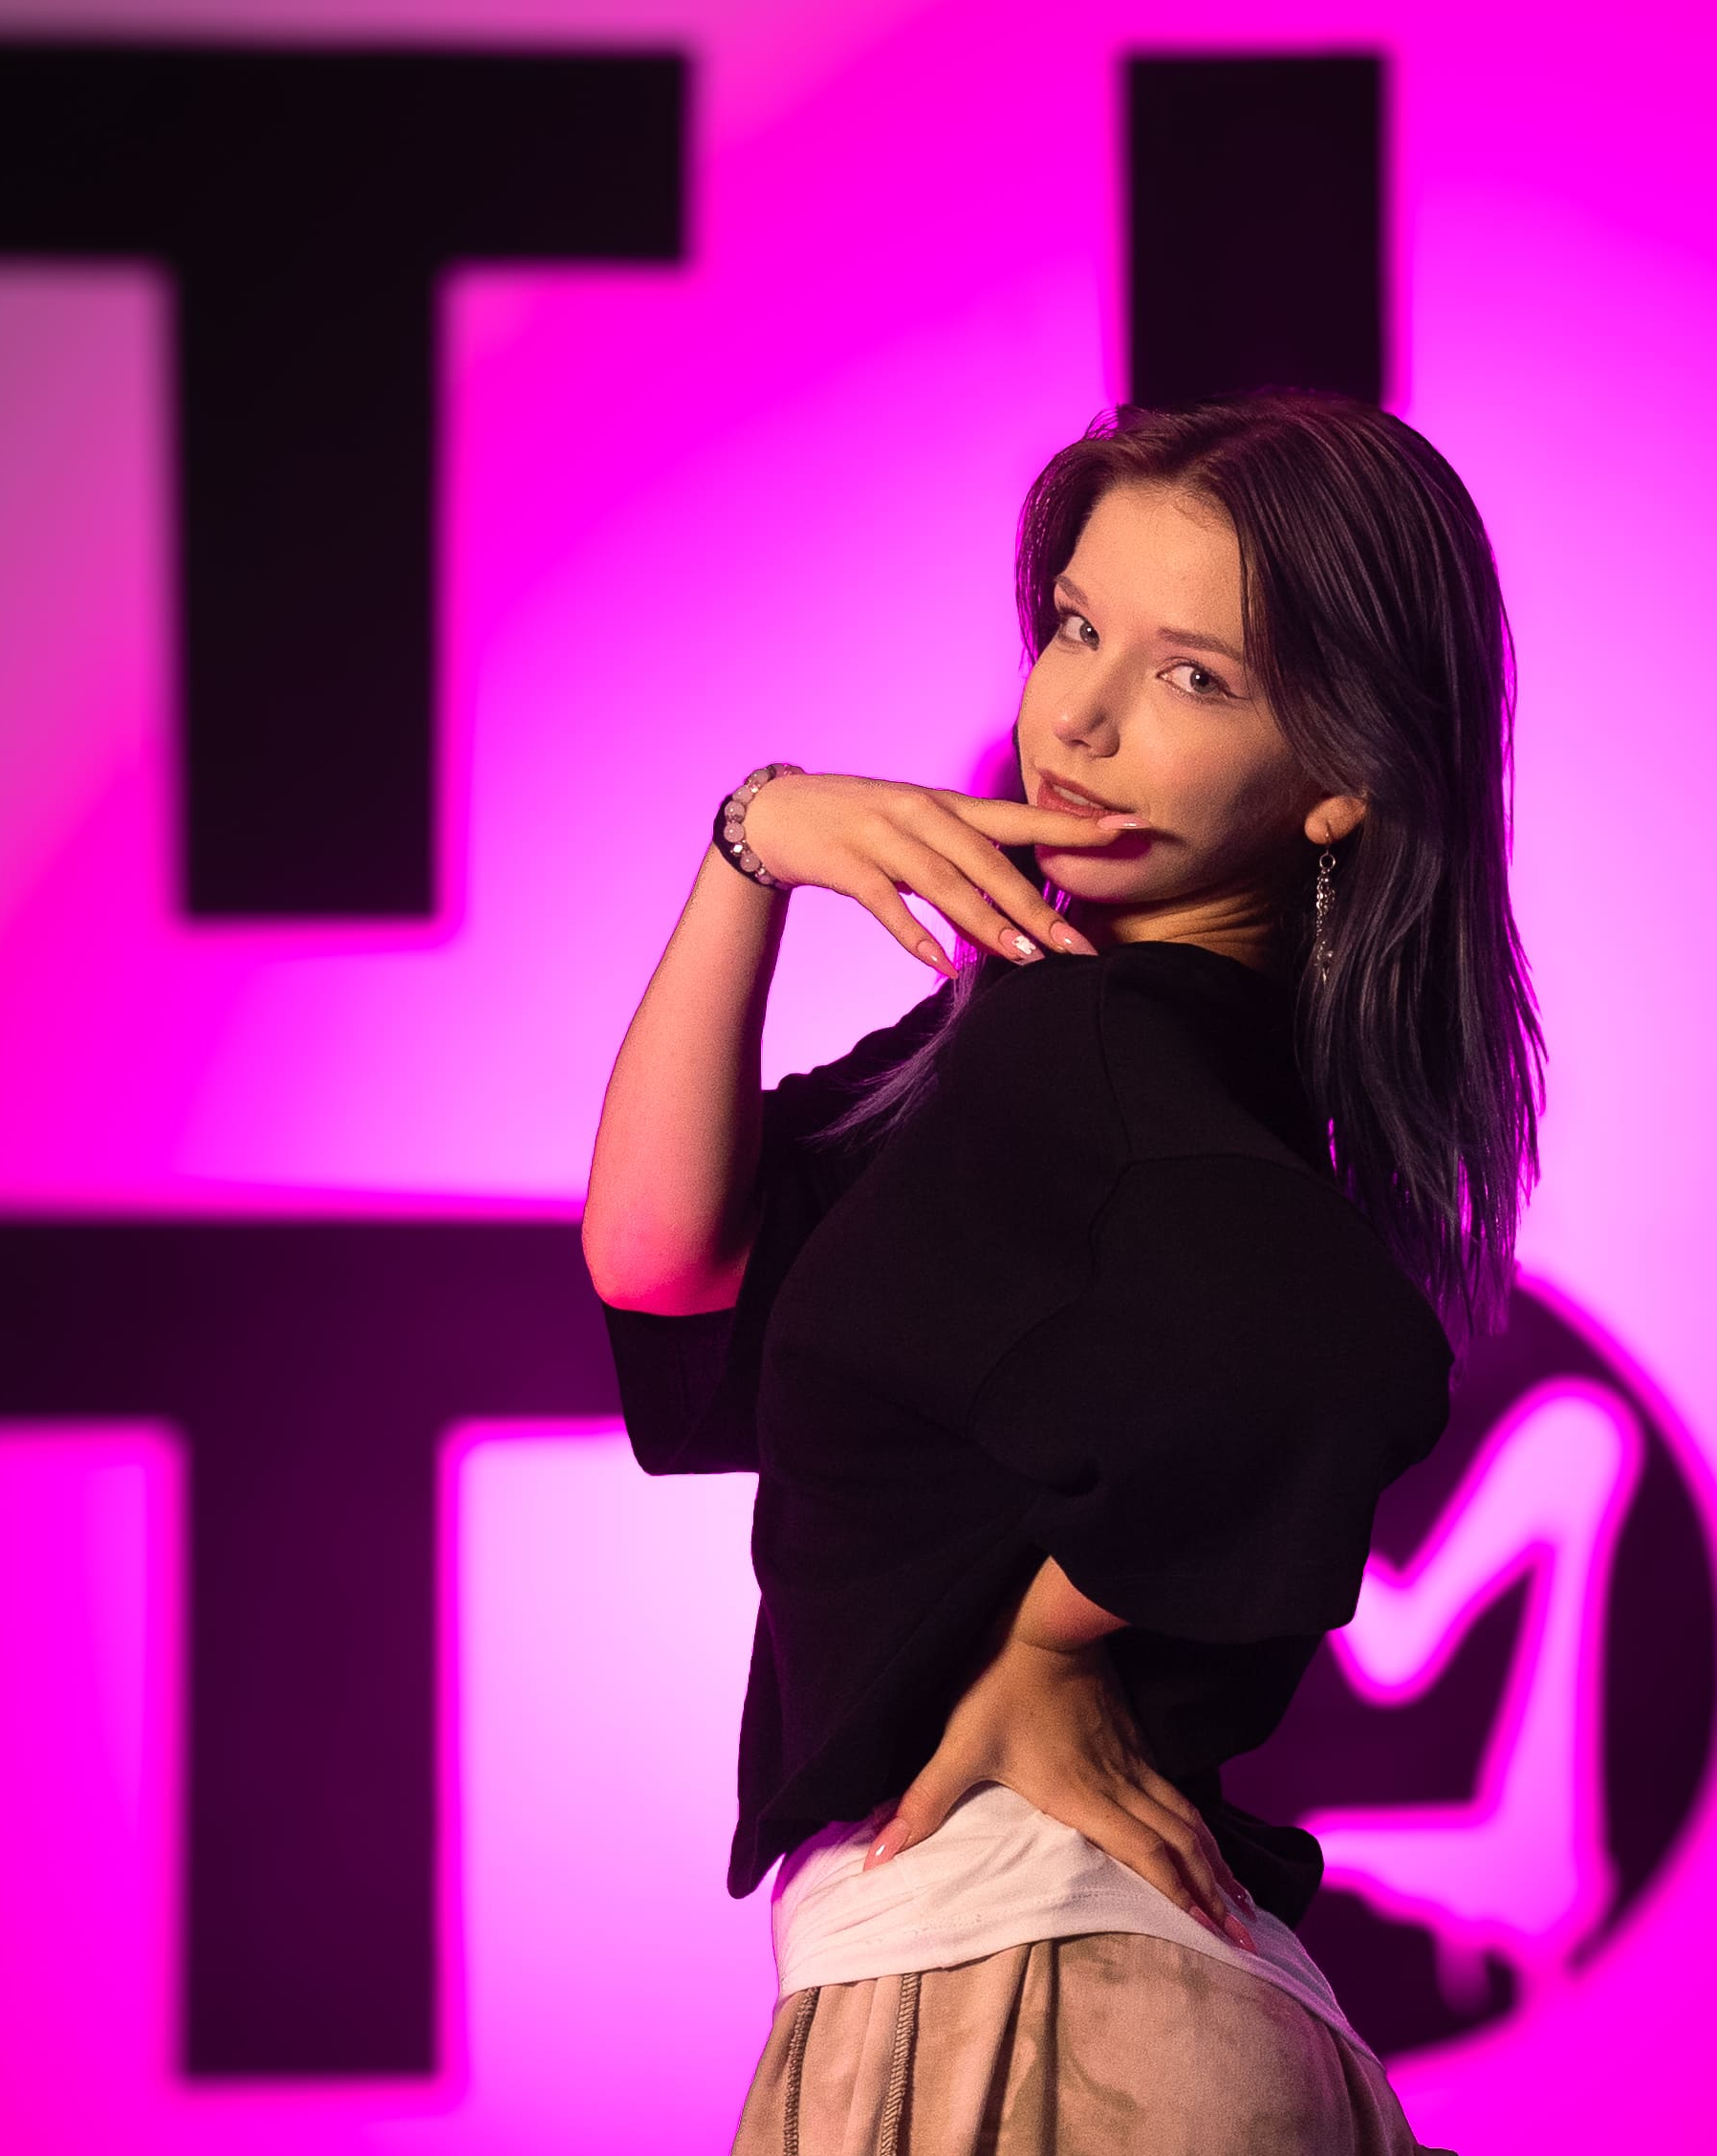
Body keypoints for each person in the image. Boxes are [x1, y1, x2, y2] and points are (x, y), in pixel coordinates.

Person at [581, 392, 1542, 2154]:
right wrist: (755, 847)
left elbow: (1341, 1353)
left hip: (1023, 2000)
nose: (1078, 718)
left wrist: (1044, 1639)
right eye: (1076, 628)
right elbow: (666, 1255)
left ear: (1339, 777)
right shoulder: (1059, 1038)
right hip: (1064, 1991)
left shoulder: (1094, 1049)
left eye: (1193, 676)